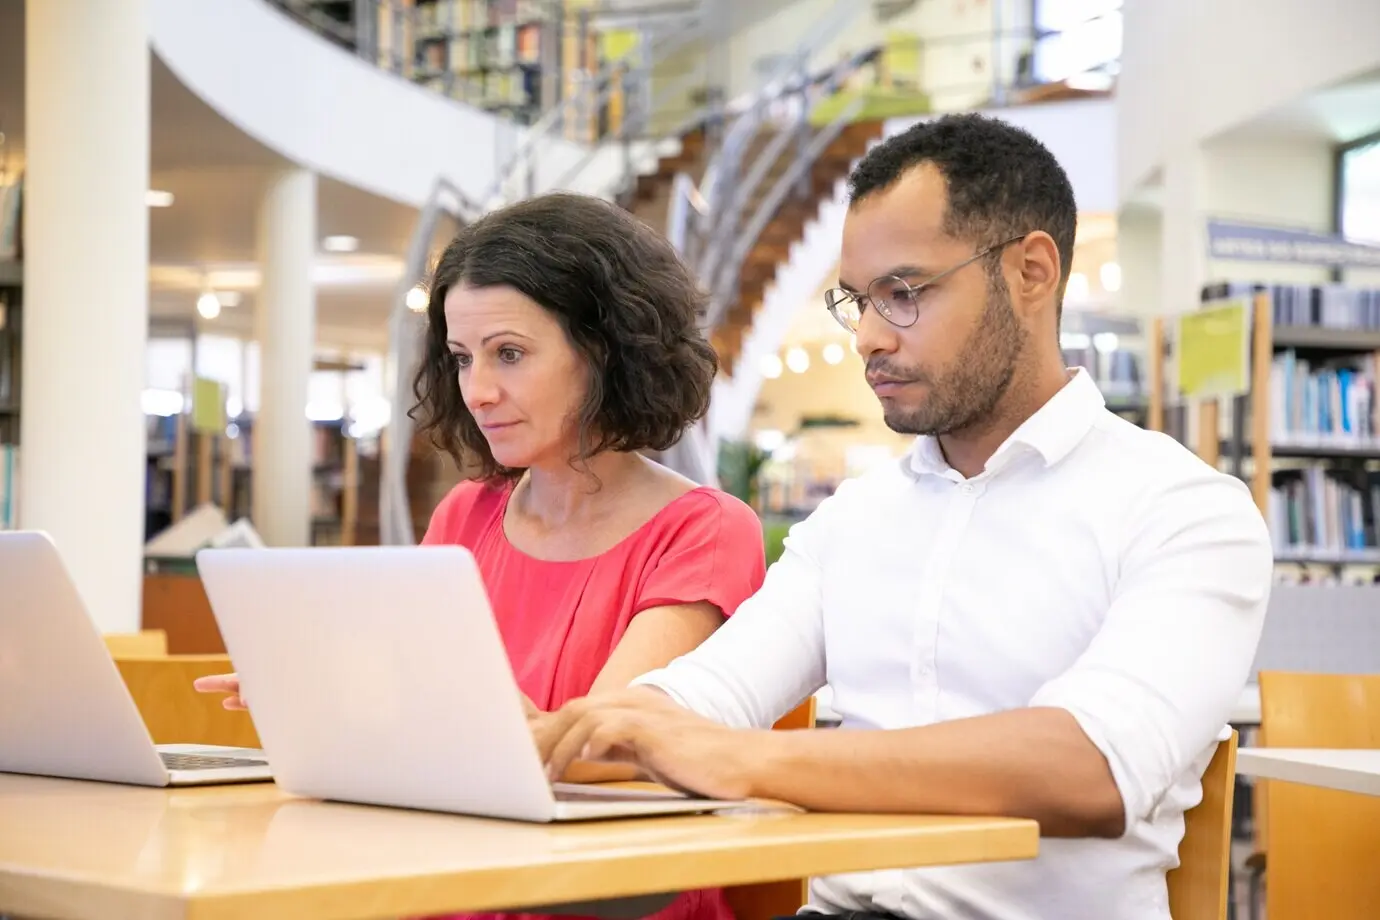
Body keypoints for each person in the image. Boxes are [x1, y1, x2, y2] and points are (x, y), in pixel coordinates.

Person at [531, 114, 1274, 920]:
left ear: (1031, 272)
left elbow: (1090, 769)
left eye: (906, 293)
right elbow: (698, 698)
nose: (869, 339)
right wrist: (557, 736)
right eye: (860, 300)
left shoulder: (1186, 512)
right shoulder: (855, 520)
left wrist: (732, 758)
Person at [196, 192, 766, 920]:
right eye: (463, 359)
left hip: (603, 894)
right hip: (457, 875)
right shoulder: (467, 514)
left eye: (510, 354)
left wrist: (400, 696)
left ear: (606, 350)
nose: (479, 391)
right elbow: (428, 725)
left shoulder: (705, 529)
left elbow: (610, 748)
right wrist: (325, 691)